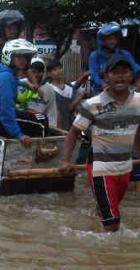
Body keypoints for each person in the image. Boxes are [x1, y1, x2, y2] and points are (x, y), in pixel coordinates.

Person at [61, 55, 140, 232]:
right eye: (115, 72)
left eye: (124, 72)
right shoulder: (92, 105)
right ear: (106, 77)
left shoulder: (138, 102)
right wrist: (65, 160)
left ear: (131, 76)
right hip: (100, 168)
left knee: (108, 211)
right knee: (113, 223)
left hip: (125, 167)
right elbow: (73, 132)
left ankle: (98, 221)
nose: (120, 77)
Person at [0, 39, 48, 142]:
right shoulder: (6, 78)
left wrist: (25, 84)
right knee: (41, 121)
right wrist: (18, 134)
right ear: (9, 57)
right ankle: (39, 150)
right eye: (18, 56)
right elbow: (6, 112)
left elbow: (12, 82)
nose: (23, 60)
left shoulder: (2, 71)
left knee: (35, 116)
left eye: (25, 57)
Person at [89, 22, 140, 96]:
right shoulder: (95, 55)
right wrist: (103, 84)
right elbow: (93, 74)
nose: (112, 42)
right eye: (109, 39)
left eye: (114, 39)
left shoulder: (124, 53)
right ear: (103, 40)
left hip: (122, 88)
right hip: (101, 90)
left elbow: (136, 68)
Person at [40, 61, 90, 130]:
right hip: (54, 127)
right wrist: (80, 97)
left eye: (60, 68)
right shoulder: (48, 88)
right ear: (49, 74)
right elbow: (68, 108)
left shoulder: (69, 87)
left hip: (71, 126)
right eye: (55, 70)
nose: (58, 71)